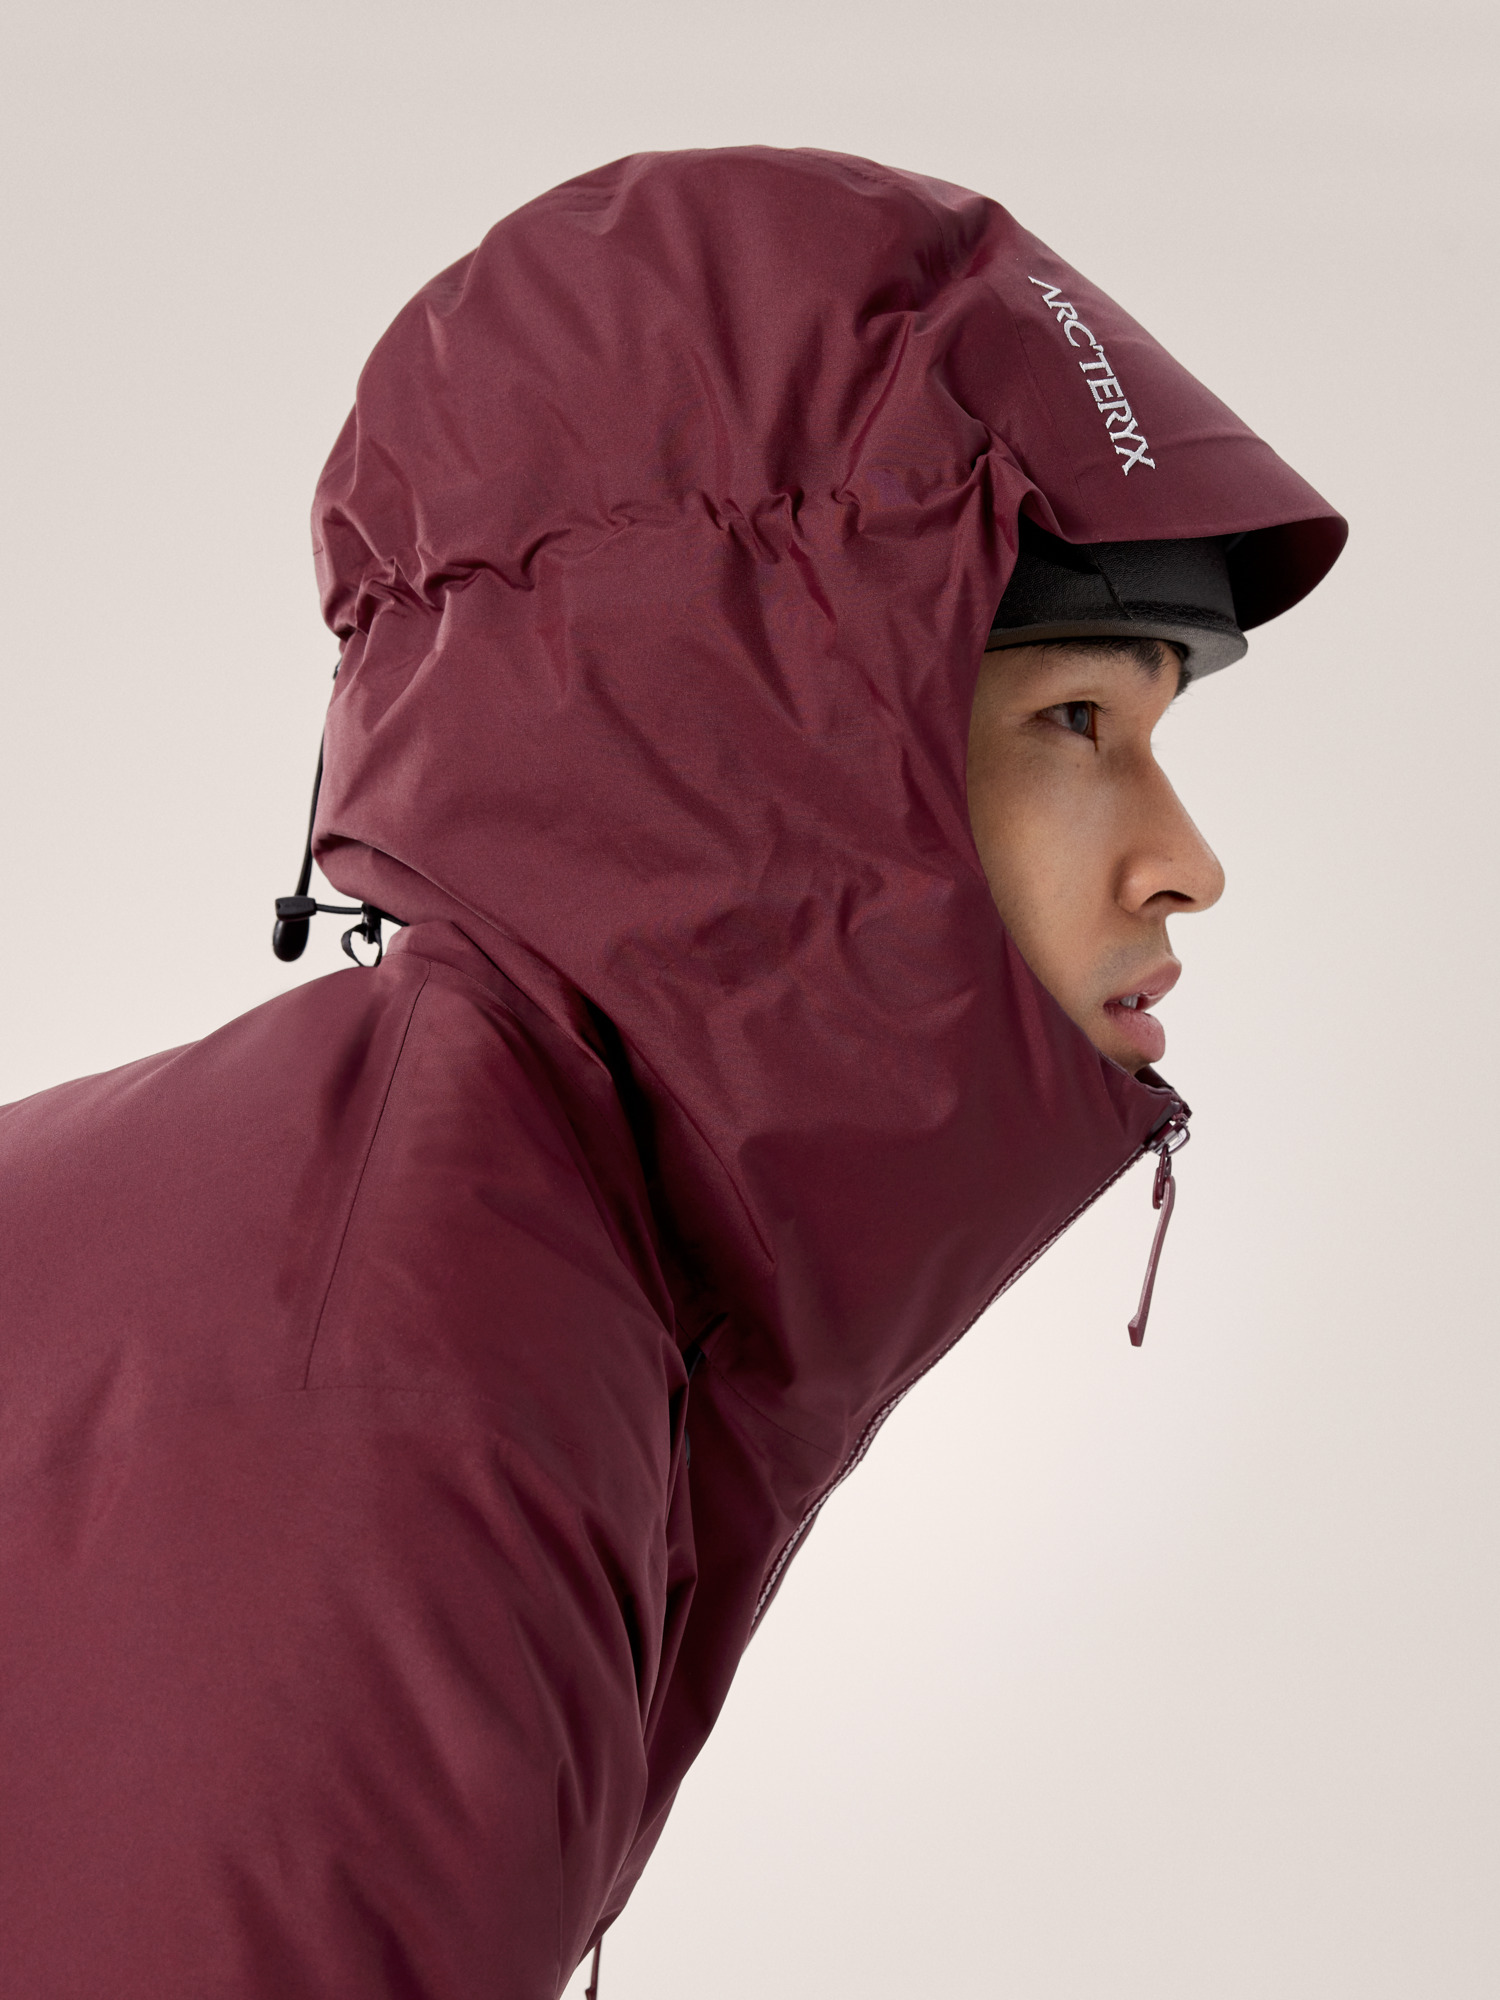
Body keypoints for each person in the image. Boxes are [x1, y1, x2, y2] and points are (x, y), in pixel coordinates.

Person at [0, 148, 1343, 1998]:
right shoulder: (409, 1396)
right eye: (1074, 720)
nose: (1186, 860)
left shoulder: (470, 1241)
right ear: (755, 747)